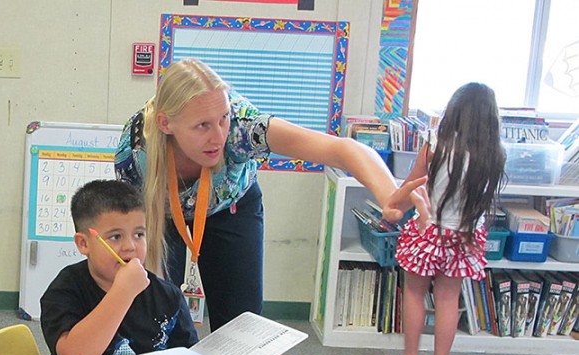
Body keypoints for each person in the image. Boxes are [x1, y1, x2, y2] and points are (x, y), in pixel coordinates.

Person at [115, 58, 427, 331]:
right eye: (202, 126)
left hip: (232, 206)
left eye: (223, 118)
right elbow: (127, 230)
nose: (218, 136)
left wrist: (388, 194)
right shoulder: (136, 154)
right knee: (154, 312)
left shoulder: (243, 128)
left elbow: (341, 149)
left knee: (242, 323)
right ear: (166, 124)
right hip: (162, 212)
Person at [379, 82, 506, 355]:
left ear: (454, 111)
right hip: (463, 238)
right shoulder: (494, 156)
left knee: (414, 293)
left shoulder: (435, 145)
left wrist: (392, 205)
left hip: (427, 232)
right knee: (449, 299)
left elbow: (410, 189)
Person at [40, 179, 198, 355]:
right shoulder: (65, 290)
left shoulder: (168, 295)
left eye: (139, 234)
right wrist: (124, 291)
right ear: (84, 243)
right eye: (115, 237)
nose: (130, 247)